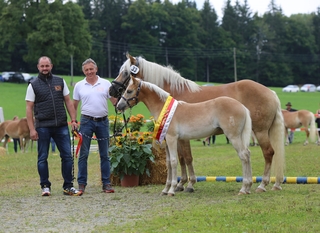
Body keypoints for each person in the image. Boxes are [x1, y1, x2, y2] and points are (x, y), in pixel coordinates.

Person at [25, 56, 81, 197]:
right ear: (38, 67)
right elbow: (29, 109)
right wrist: (32, 129)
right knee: (43, 157)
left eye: (47, 66)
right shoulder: (33, 85)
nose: (45, 68)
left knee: (67, 156)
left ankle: (68, 186)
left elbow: (68, 102)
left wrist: (73, 120)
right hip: (43, 126)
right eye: (42, 66)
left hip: (61, 126)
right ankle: (45, 186)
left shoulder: (60, 81)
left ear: (51, 66)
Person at [73, 58, 117, 194]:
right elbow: (74, 105)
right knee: (83, 154)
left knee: (105, 154)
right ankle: (81, 183)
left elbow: (114, 101)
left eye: (91, 69)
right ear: (83, 71)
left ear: (96, 69)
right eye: (86, 70)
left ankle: (106, 183)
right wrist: (73, 121)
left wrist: (122, 100)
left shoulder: (105, 83)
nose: (89, 72)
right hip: (86, 121)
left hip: (103, 122)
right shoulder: (79, 85)